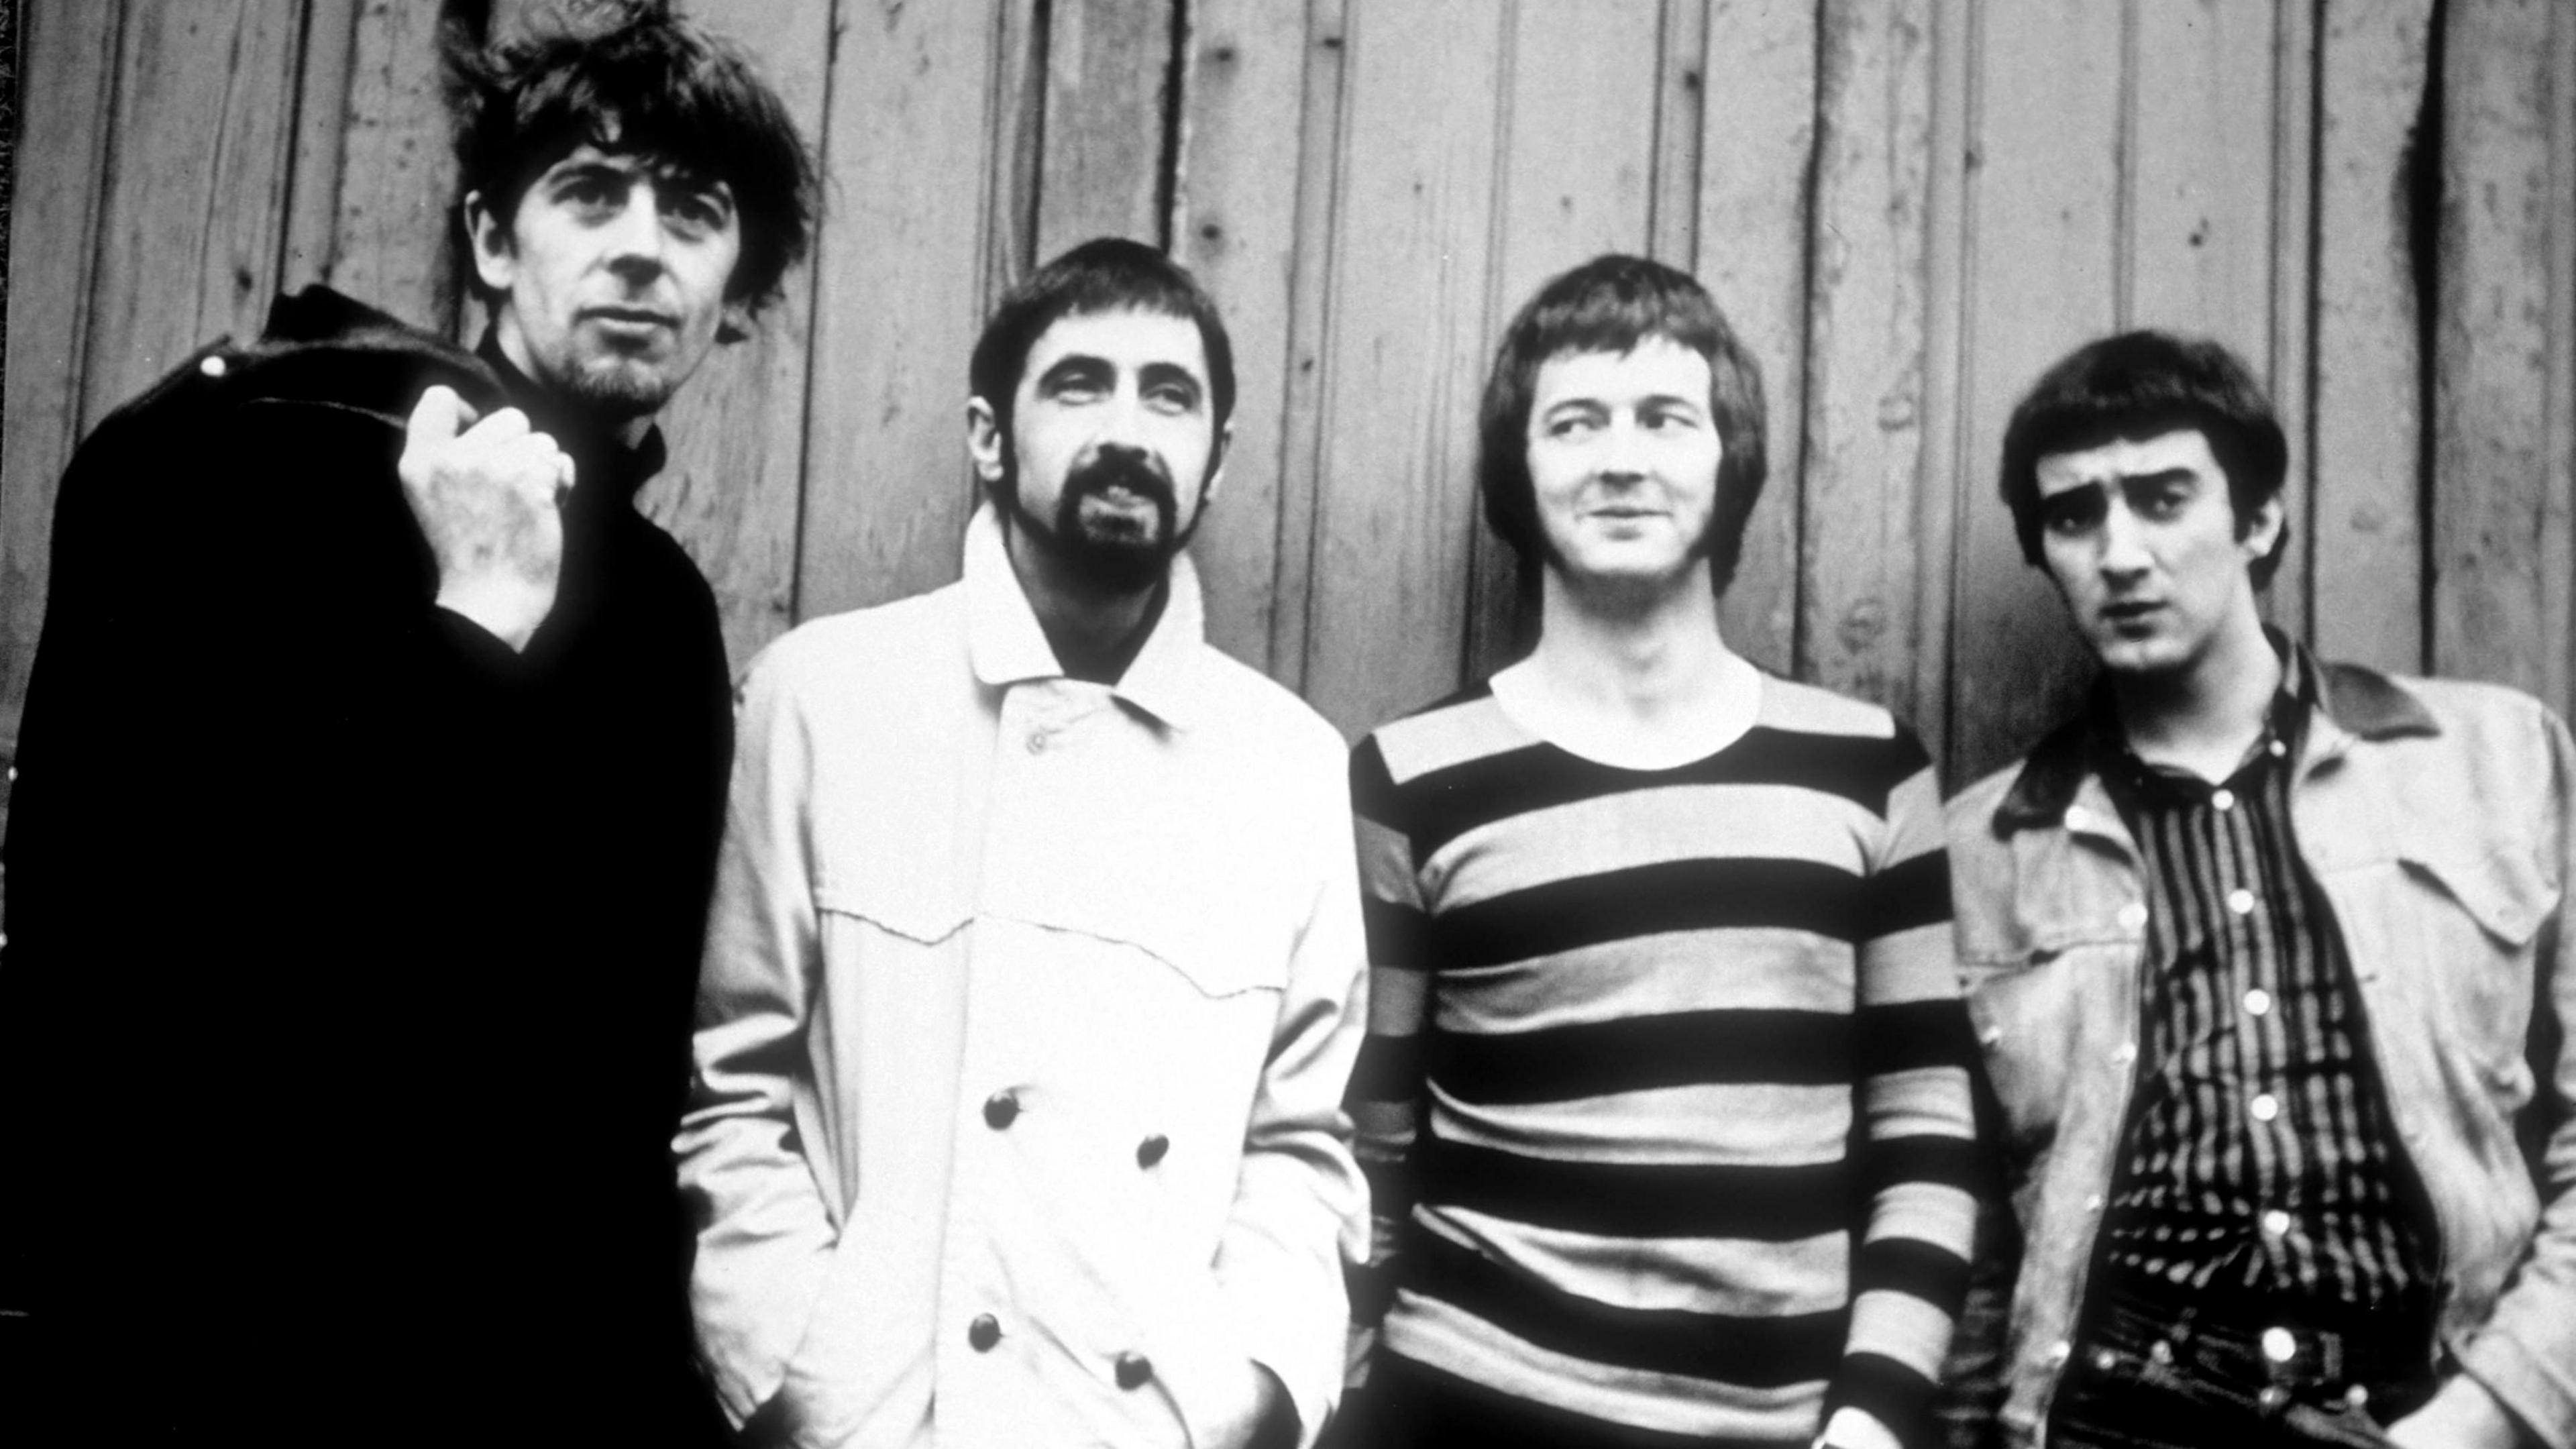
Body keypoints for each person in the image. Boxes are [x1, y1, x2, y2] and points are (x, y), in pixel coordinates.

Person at [0, 5, 816, 1442]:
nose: (641, 244)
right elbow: (171, 964)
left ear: (737, 292)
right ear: (494, 244)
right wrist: (473, 622)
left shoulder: (669, 610)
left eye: (694, 213)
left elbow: (611, 1083)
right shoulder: (251, 462)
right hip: (240, 1360)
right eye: (588, 193)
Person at [678, 236, 1367, 1449]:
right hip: (884, 1419)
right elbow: (732, 1086)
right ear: (990, 437)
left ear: (1217, 458)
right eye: (1078, 384)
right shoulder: (828, 697)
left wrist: (1244, 1391)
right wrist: (803, 1379)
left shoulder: (1291, 763)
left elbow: (1300, 1142)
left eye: (1170, 395)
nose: (1128, 427)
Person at [1342, 254, 1980, 1449]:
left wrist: (1876, 1416)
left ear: (1728, 459)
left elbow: (1928, 1131)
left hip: (1789, 1430)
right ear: (1518, 472)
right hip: (1464, 1403)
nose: (1620, 458)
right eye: (1574, 422)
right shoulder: (1411, 778)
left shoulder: (1866, 769)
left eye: (1664, 419)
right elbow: (1369, 1138)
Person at [1943, 331, 2576, 1449]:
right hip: (2115, 1421)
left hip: (2431, 1410)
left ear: (2260, 522)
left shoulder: (2499, 760)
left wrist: (2487, 1417)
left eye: (2163, 497)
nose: (2119, 552)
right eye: (2076, 515)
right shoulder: (1983, 848)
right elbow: (1965, 1228)